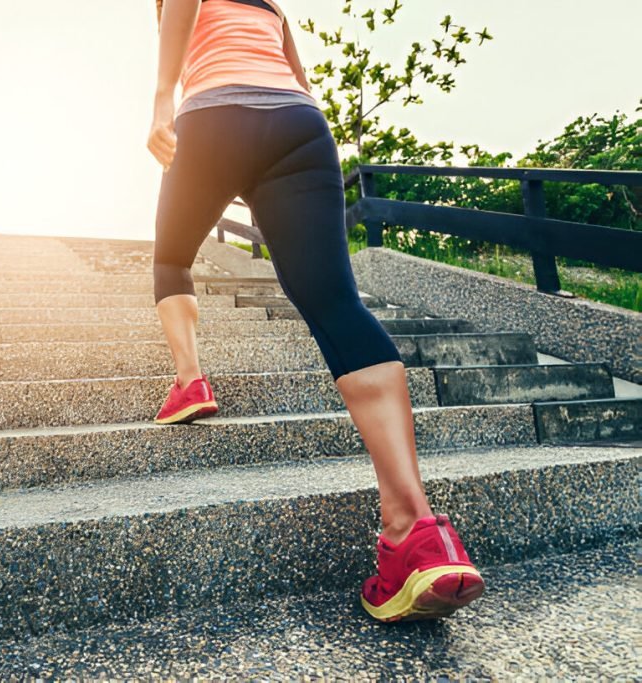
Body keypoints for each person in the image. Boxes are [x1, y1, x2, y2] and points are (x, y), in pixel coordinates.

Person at [146, 0, 485, 622]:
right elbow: (298, 79)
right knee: (336, 302)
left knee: (170, 257)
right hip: (300, 125)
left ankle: (189, 379)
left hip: (216, 113)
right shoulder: (272, 4)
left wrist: (163, 97)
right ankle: (415, 529)